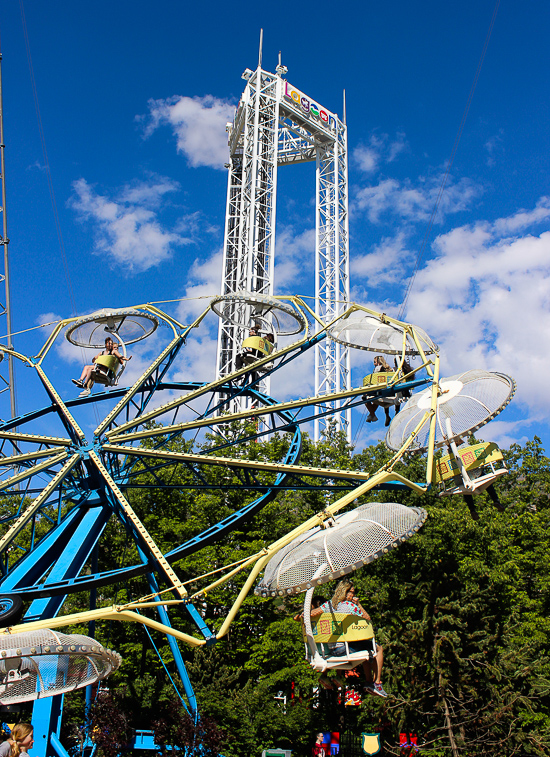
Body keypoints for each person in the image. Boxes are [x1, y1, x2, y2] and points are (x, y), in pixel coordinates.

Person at [311, 579, 387, 698]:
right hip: (344, 649)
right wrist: (358, 604)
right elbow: (367, 618)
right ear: (344, 592)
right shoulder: (350, 606)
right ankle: (377, 682)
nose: (353, 595)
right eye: (351, 592)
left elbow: (312, 613)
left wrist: (302, 615)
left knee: (366, 650)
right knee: (378, 649)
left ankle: (368, 682)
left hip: (332, 649)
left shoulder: (329, 604)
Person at [364, 356, 397, 427]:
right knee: (376, 399)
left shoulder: (378, 369)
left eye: (375, 362)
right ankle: (371, 415)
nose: (374, 364)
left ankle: (372, 415)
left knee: (365, 397)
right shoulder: (389, 368)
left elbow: (375, 380)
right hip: (389, 391)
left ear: (379, 362)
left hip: (381, 391)